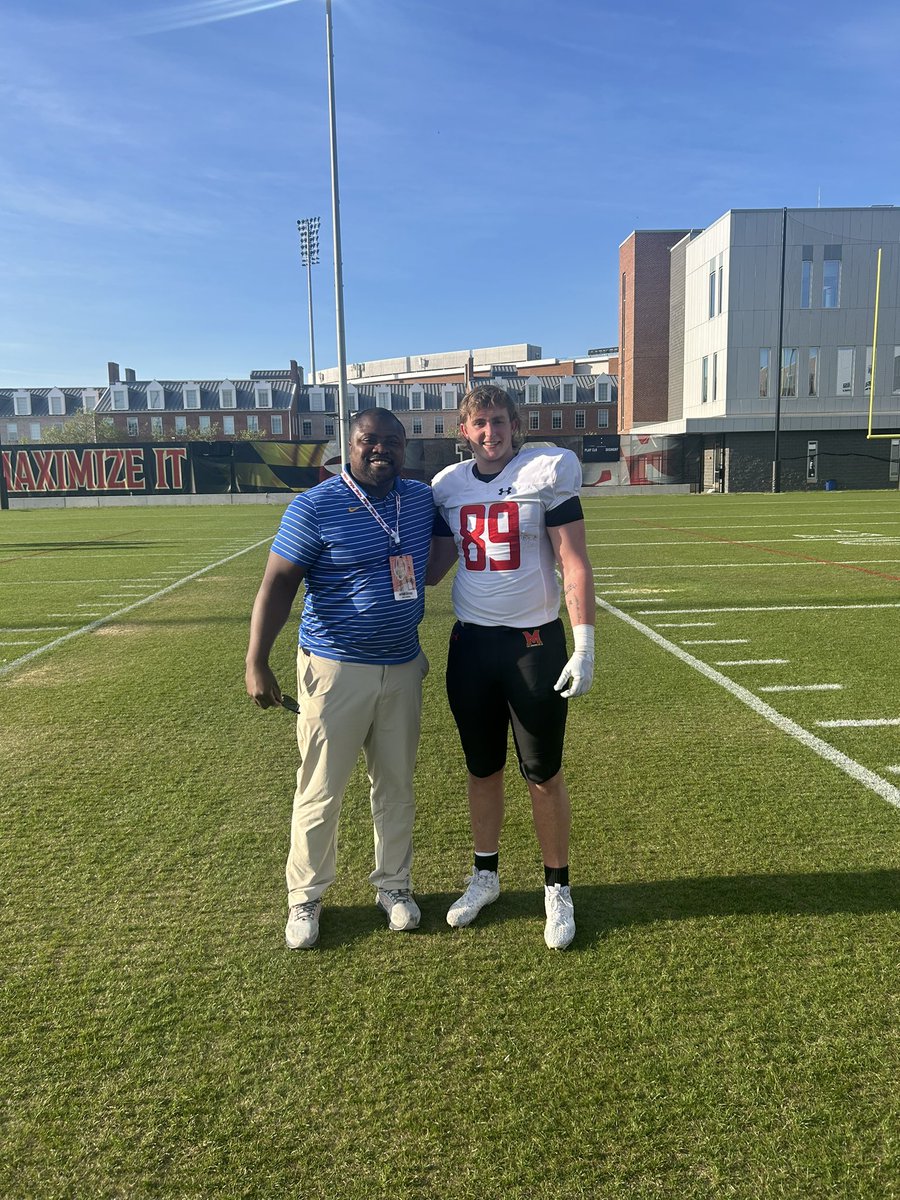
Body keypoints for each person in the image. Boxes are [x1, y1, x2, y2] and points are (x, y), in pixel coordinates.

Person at [245, 408, 434, 950]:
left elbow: (437, 555)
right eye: (369, 440)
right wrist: (257, 660)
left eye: (392, 442)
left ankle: (394, 886)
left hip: (401, 666)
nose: (381, 450)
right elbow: (277, 586)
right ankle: (305, 897)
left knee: (395, 786)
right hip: (335, 668)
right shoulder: (314, 505)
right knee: (321, 789)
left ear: (405, 447)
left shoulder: (419, 499)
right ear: (348, 446)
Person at [426, 384, 595, 950]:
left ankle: (557, 887)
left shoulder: (547, 471)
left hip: (531, 645)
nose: (490, 432)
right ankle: (485, 876)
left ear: (514, 423)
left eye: (498, 420)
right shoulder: (447, 487)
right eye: (479, 423)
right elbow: (436, 565)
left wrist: (584, 642)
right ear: (464, 430)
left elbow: (573, 558)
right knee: (481, 770)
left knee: (543, 774)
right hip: (471, 647)